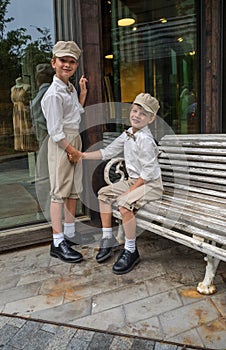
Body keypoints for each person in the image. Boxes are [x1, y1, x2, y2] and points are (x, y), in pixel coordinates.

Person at [70, 93, 163, 274]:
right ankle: (108, 238)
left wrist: (128, 193)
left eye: (143, 114)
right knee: (103, 193)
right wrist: (82, 156)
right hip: (135, 181)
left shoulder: (146, 141)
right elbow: (107, 152)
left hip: (151, 184)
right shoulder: (128, 134)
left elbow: (148, 174)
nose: (136, 115)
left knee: (124, 203)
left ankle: (130, 250)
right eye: (135, 110)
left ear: (151, 119)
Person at [41, 41, 88, 263]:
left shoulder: (68, 88)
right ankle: (57, 242)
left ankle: (69, 233)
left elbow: (76, 112)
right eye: (63, 60)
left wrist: (83, 92)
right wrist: (71, 151)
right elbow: (55, 131)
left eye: (71, 61)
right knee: (59, 192)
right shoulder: (53, 94)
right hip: (63, 144)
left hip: (73, 140)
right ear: (54, 63)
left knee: (72, 190)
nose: (67, 65)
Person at [11, 77, 37, 151]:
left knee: (25, 126)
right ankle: (19, 145)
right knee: (18, 127)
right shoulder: (13, 88)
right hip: (16, 112)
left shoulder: (26, 87)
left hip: (24, 110)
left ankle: (27, 145)